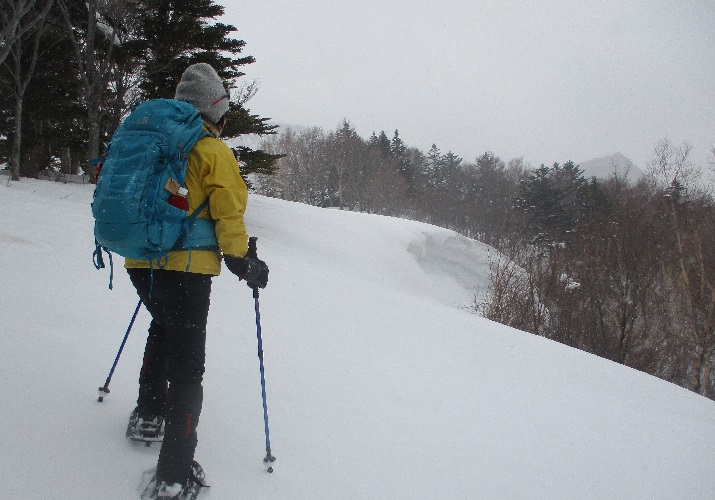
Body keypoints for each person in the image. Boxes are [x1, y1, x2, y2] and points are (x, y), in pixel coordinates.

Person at [124, 62, 269, 499]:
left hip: (139, 261)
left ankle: (148, 414)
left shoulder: (151, 139)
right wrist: (246, 263)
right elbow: (229, 215)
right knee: (188, 368)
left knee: (160, 327)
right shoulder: (213, 151)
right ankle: (174, 475)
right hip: (186, 272)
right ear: (216, 111)